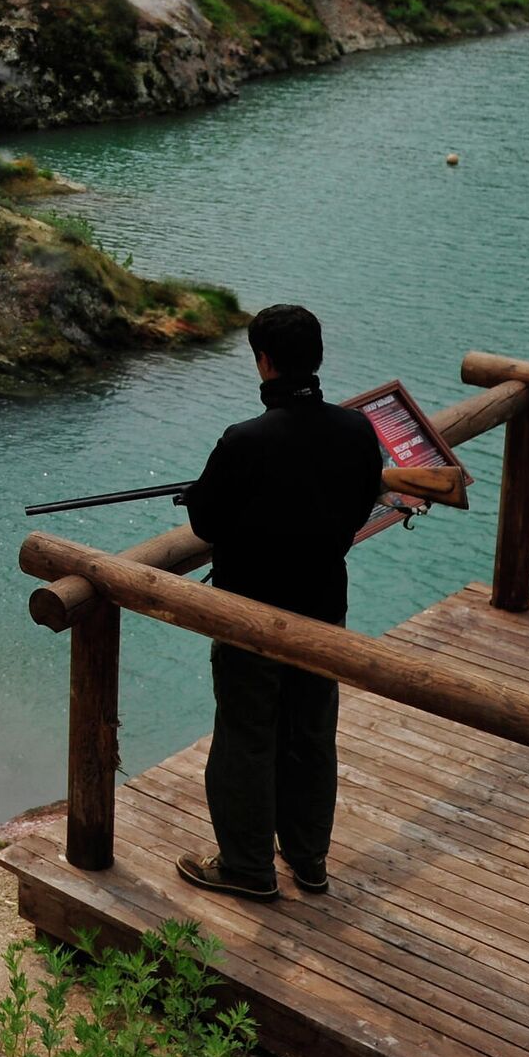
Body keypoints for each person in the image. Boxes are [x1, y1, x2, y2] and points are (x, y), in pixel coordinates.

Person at [174, 304, 382, 901]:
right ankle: (309, 860)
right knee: (312, 733)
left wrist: (199, 496)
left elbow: (209, 520)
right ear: (316, 357)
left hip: (251, 616)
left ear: (263, 361)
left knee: (246, 735)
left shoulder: (245, 440)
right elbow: (361, 498)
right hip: (324, 609)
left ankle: (245, 867)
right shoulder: (356, 430)